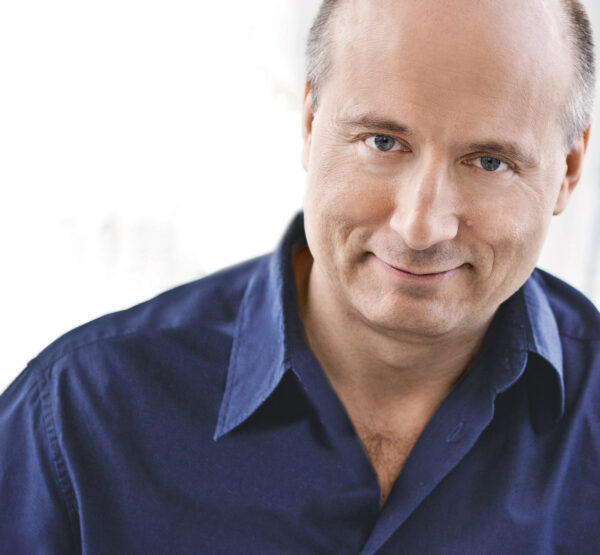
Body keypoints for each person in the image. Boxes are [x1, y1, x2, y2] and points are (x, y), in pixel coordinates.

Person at [1, 0, 599, 552]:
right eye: (383, 141)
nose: (420, 226)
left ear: (569, 170)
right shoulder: (76, 419)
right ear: (311, 123)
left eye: (489, 162)